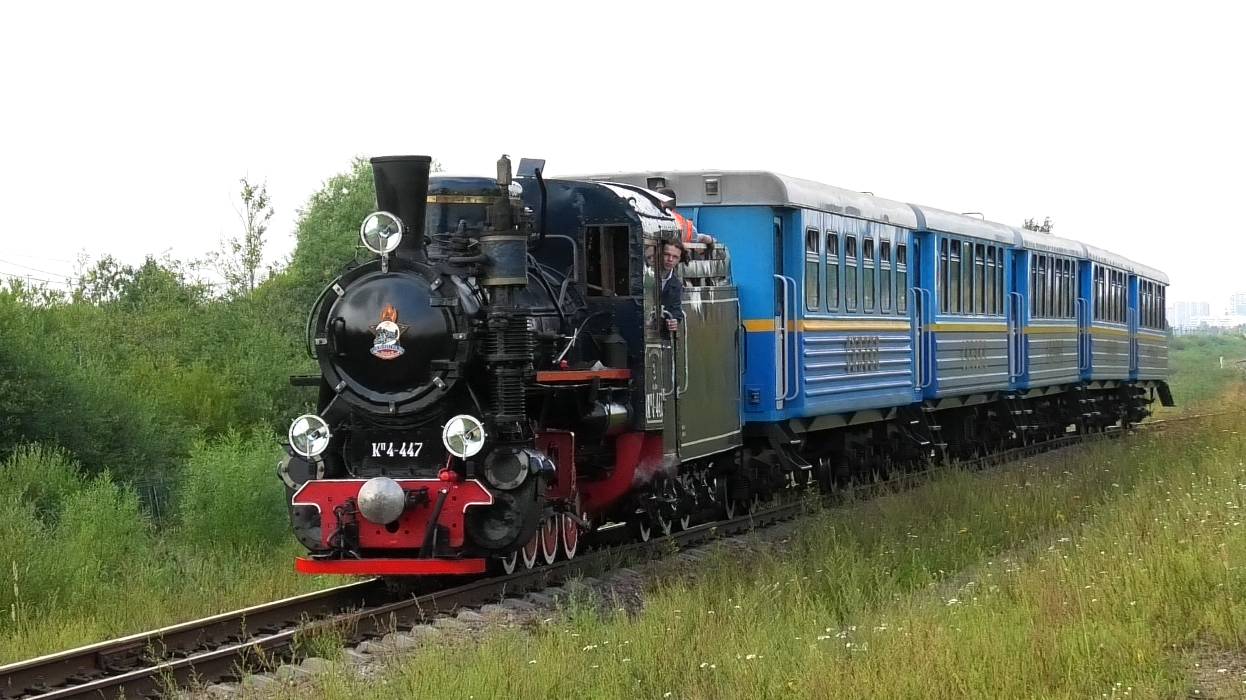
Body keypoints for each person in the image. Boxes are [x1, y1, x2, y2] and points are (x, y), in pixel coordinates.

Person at [659, 239, 685, 334]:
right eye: (667, 254)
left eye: (675, 257)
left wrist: (674, 320)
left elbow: (676, 310)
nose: (670, 259)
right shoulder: (647, 274)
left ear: (678, 260)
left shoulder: (677, 285)